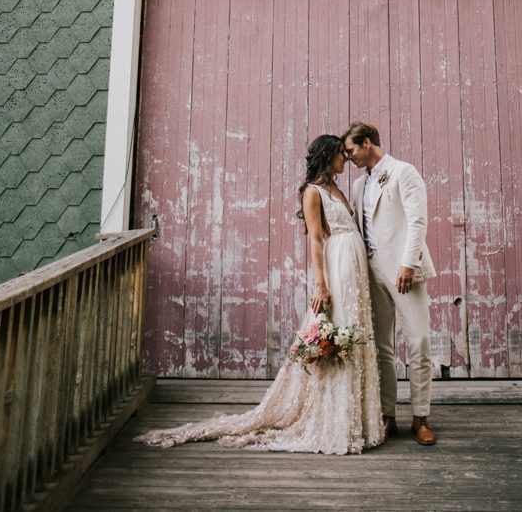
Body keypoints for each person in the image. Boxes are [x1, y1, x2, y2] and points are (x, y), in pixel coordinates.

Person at [134, 135, 384, 454]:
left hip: (355, 268)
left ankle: (358, 419)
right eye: (340, 155)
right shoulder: (313, 192)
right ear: (327, 155)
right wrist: (321, 284)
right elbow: (316, 241)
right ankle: (335, 417)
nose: (345, 160)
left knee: (355, 334)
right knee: (339, 333)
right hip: (337, 268)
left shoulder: (338, 188)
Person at [342, 121, 437, 446]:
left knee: (419, 342)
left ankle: (421, 417)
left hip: (403, 270)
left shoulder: (403, 172)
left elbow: (417, 220)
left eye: (352, 150)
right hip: (372, 271)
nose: (349, 156)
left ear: (367, 143)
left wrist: (408, 263)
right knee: (381, 346)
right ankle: (387, 417)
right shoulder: (358, 185)